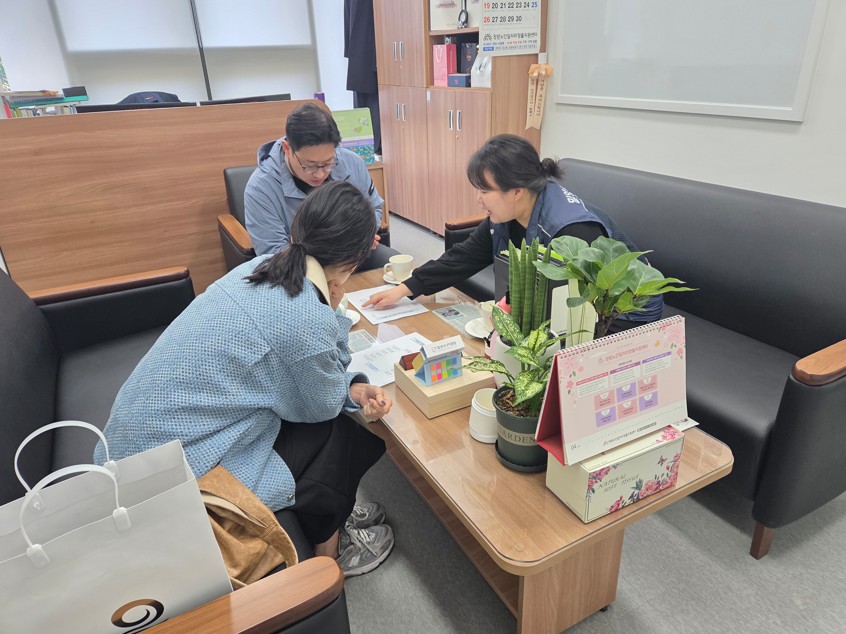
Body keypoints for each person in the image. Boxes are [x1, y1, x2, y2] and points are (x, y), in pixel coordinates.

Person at [95, 181, 395, 577]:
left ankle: (330, 522)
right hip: (171, 484)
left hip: (122, 457)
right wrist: (333, 313)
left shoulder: (261, 266)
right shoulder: (306, 316)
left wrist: (346, 378)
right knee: (338, 434)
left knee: (312, 419)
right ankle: (331, 558)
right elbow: (322, 404)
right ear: (353, 260)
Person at [364, 134, 663, 327]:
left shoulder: (571, 231)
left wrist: (506, 312)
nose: (478, 199)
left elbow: (569, 305)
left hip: (623, 312)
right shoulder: (510, 212)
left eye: (485, 190)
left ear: (517, 190)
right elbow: (465, 256)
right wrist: (406, 288)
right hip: (572, 309)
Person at [244, 102, 393, 270]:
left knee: (399, 270)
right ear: (287, 148)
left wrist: (362, 234)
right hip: (299, 265)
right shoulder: (261, 188)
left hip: (352, 253)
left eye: (328, 163)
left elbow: (374, 208)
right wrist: (337, 246)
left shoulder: (352, 163)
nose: (320, 174)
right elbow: (273, 253)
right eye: (310, 166)